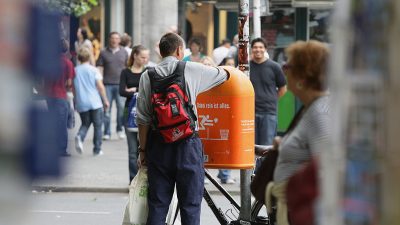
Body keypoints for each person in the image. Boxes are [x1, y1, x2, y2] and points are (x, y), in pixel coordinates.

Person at [136, 32, 228, 225]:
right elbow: (224, 75)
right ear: (179, 50)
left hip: (158, 144)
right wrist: (210, 66)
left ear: (161, 52)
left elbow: (143, 118)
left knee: (158, 204)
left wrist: (142, 151)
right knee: (190, 205)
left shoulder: (147, 75)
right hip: (187, 144)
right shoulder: (191, 69)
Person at [266, 40, 331, 225]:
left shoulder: (320, 113)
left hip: (304, 213)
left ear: (303, 75)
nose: (284, 71)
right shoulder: (311, 108)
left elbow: (324, 167)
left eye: (288, 66)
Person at [249, 38, 287, 166]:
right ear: (251, 49)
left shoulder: (274, 67)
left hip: (268, 113)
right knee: (251, 146)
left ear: (265, 49)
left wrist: (272, 99)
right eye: (255, 47)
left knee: (266, 147)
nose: (258, 50)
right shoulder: (247, 67)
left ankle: (264, 175)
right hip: (250, 113)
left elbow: (283, 88)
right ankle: (253, 175)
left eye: (260, 47)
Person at [119, 45, 149, 182]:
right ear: (135, 56)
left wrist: (133, 89)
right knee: (132, 152)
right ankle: (132, 180)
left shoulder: (148, 71)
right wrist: (136, 90)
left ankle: (143, 180)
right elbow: (121, 91)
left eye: (147, 57)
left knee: (144, 150)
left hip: (145, 113)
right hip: (129, 112)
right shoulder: (125, 72)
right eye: (142, 57)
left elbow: (150, 89)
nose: (145, 59)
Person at [74, 48, 110, 156]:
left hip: (82, 101)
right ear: (89, 57)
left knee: (85, 123)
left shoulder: (75, 70)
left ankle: (80, 136)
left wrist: (76, 100)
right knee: (98, 126)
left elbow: (73, 88)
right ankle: (97, 149)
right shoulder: (94, 70)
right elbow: (100, 87)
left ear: (78, 58)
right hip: (95, 102)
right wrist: (105, 100)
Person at [44, 39, 75, 157]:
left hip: (49, 95)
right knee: (62, 124)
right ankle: (61, 149)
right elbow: (69, 83)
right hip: (61, 95)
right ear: (66, 48)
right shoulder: (68, 63)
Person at [96, 31, 129, 140]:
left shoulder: (124, 52)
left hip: (121, 85)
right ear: (109, 39)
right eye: (112, 38)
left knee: (121, 108)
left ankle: (120, 129)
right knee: (107, 109)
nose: (114, 40)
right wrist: (99, 83)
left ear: (119, 40)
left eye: (116, 38)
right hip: (107, 85)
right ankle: (107, 132)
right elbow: (100, 68)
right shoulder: (103, 52)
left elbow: (127, 68)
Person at [216, 56, 237, 184]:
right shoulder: (218, 79)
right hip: (221, 117)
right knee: (222, 145)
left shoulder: (236, 79)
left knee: (228, 146)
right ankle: (224, 174)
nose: (231, 66)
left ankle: (225, 174)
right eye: (228, 63)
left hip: (230, 117)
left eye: (232, 64)